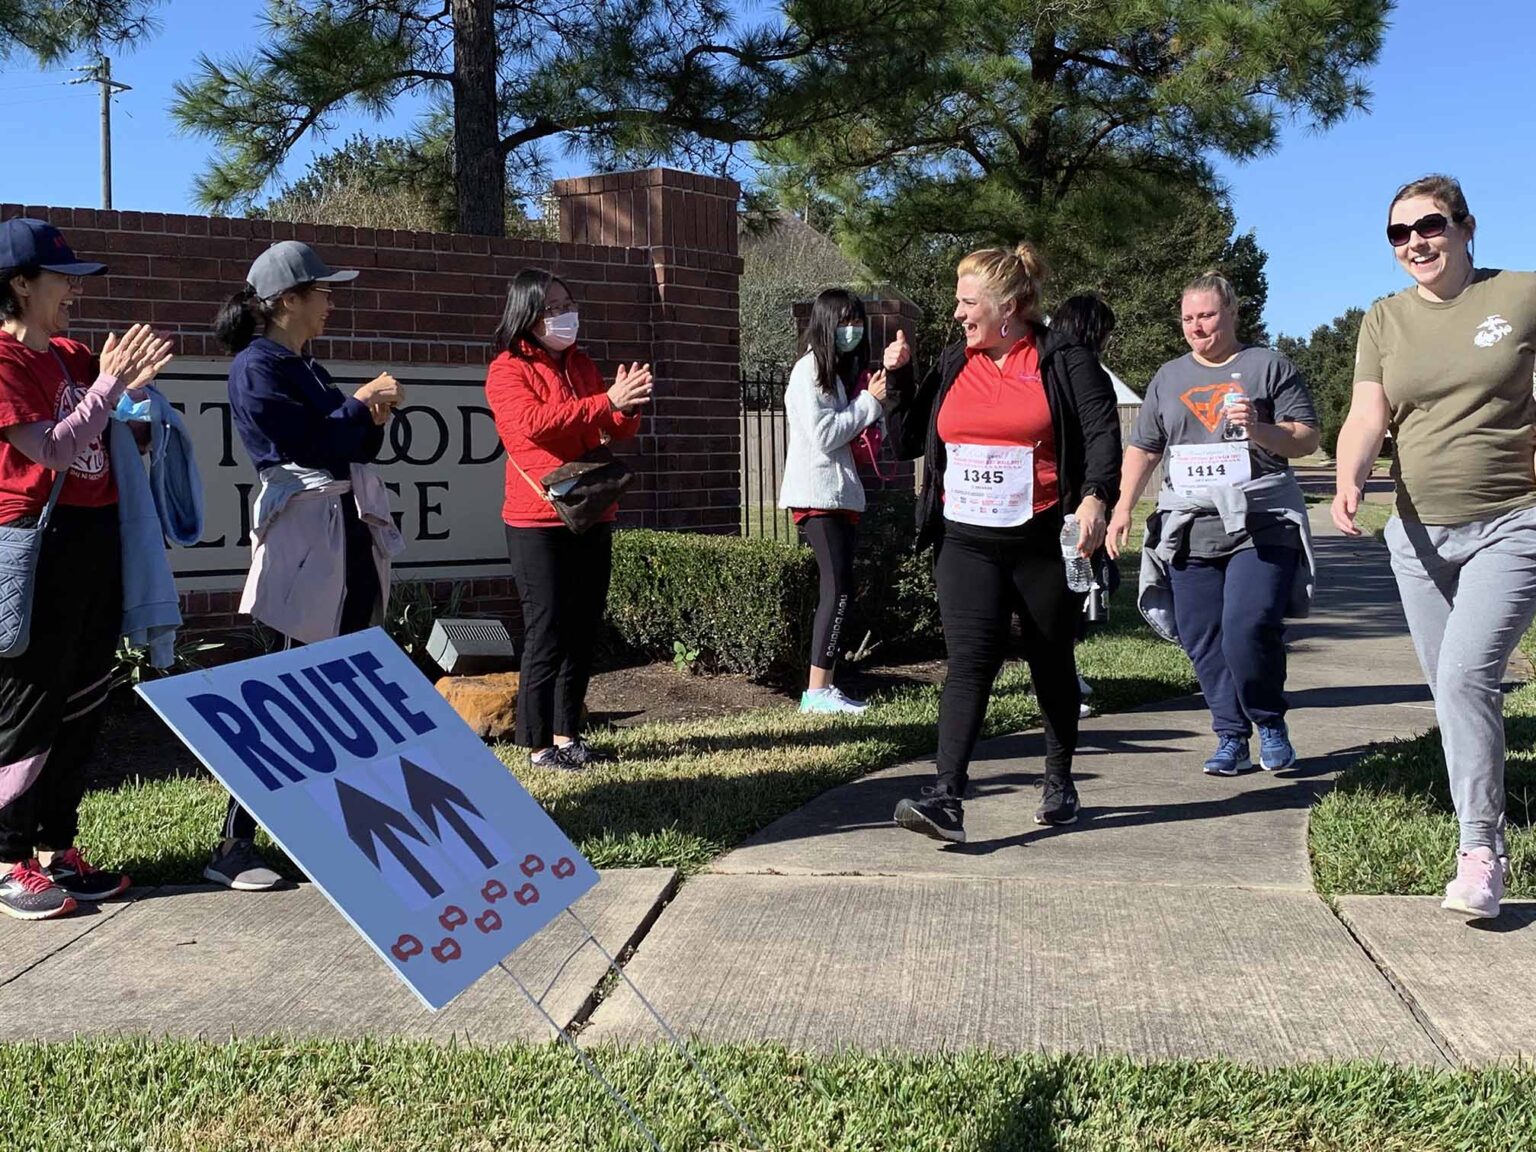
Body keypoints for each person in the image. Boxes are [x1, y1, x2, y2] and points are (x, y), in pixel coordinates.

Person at [1333, 174, 1536, 921]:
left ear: (1465, 226)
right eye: (1399, 233)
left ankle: (1481, 852)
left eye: (1430, 225)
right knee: (1454, 697)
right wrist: (1350, 476)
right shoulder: (1385, 319)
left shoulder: (1519, 293)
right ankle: (1475, 824)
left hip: (1514, 523)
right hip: (1416, 535)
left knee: (1464, 678)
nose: (1416, 241)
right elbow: (1366, 414)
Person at [885, 243, 1121, 844]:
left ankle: (1060, 779)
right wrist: (901, 378)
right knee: (970, 661)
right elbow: (908, 441)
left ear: (1008, 306)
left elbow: (1101, 434)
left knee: (1050, 659)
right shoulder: (954, 362)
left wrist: (1095, 496)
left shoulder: (1063, 359)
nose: (958, 313)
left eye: (968, 302)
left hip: (1042, 538)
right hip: (964, 541)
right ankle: (946, 798)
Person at [213, 240, 405, 891]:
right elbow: (310, 444)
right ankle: (234, 843)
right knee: (291, 688)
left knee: (341, 685)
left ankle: (339, 830)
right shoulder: (256, 366)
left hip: (340, 536)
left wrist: (369, 417)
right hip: (305, 544)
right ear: (286, 300)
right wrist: (357, 404)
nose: (331, 300)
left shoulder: (303, 365)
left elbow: (348, 443)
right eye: (322, 291)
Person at [0, 218, 174, 921]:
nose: (74, 290)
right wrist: (107, 387)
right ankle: (7, 857)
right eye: (62, 278)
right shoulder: (7, 363)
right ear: (18, 283)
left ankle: (56, 847)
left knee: (83, 700)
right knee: (28, 706)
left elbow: (106, 435)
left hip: (97, 540)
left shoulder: (72, 355)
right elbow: (50, 451)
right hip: (36, 546)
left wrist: (137, 400)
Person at [1107, 273, 1319, 777]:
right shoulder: (1168, 377)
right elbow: (1144, 448)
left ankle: (1269, 723)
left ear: (1231, 313)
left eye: (1207, 315)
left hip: (1260, 521)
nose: (1197, 327)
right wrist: (1122, 508)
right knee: (1201, 632)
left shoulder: (1268, 366)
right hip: (1191, 524)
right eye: (1188, 318)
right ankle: (1230, 735)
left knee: (1248, 628)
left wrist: (1261, 429)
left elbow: (1306, 438)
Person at [486, 270, 649, 770]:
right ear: (528, 315)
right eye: (553, 308)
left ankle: (567, 735)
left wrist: (625, 406)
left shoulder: (581, 364)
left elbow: (610, 427)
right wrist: (605, 404)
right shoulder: (507, 370)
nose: (564, 315)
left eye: (567, 303)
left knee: (582, 627)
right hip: (537, 519)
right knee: (548, 627)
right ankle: (536, 745)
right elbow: (532, 426)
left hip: (590, 511)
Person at [778, 289, 890, 714]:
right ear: (826, 323)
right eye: (845, 321)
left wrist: (869, 402)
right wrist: (868, 404)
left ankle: (823, 686)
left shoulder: (836, 374)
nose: (853, 330)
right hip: (817, 496)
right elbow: (824, 436)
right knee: (838, 588)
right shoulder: (807, 372)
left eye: (858, 321)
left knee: (843, 588)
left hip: (839, 496)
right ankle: (817, 691)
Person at [1049, 293, 1120, 718]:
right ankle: (1059, 686)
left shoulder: (1043, 367)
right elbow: (1102, 438)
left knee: (1067, 594)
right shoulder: (1086, 372)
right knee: (1066, 596)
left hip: (1054, 500)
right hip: (1074, 503)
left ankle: (1064, 674)